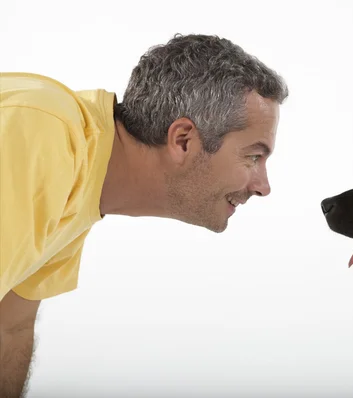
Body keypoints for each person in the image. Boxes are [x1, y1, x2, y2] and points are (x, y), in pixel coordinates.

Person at [0, 33, 288, 397]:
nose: (263, 186)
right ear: (183, 140)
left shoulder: (83, 177)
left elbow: (10, 328)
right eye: (252, 156)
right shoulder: (44, 138)